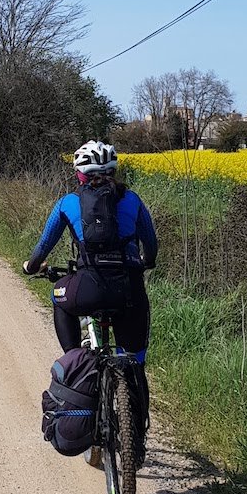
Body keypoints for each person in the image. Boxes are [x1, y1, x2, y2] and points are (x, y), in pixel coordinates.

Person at [22, 139, 158, 363]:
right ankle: (135, 379)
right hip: (129, 290)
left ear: (80, 175)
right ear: (113, 172)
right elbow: (150, 243)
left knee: (58, 296)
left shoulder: (68, 203)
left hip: (88, 288)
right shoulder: (133, 200)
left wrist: (32, 266)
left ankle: (74, 359)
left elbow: (44, 246)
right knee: (134, 356)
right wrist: (147, 261)